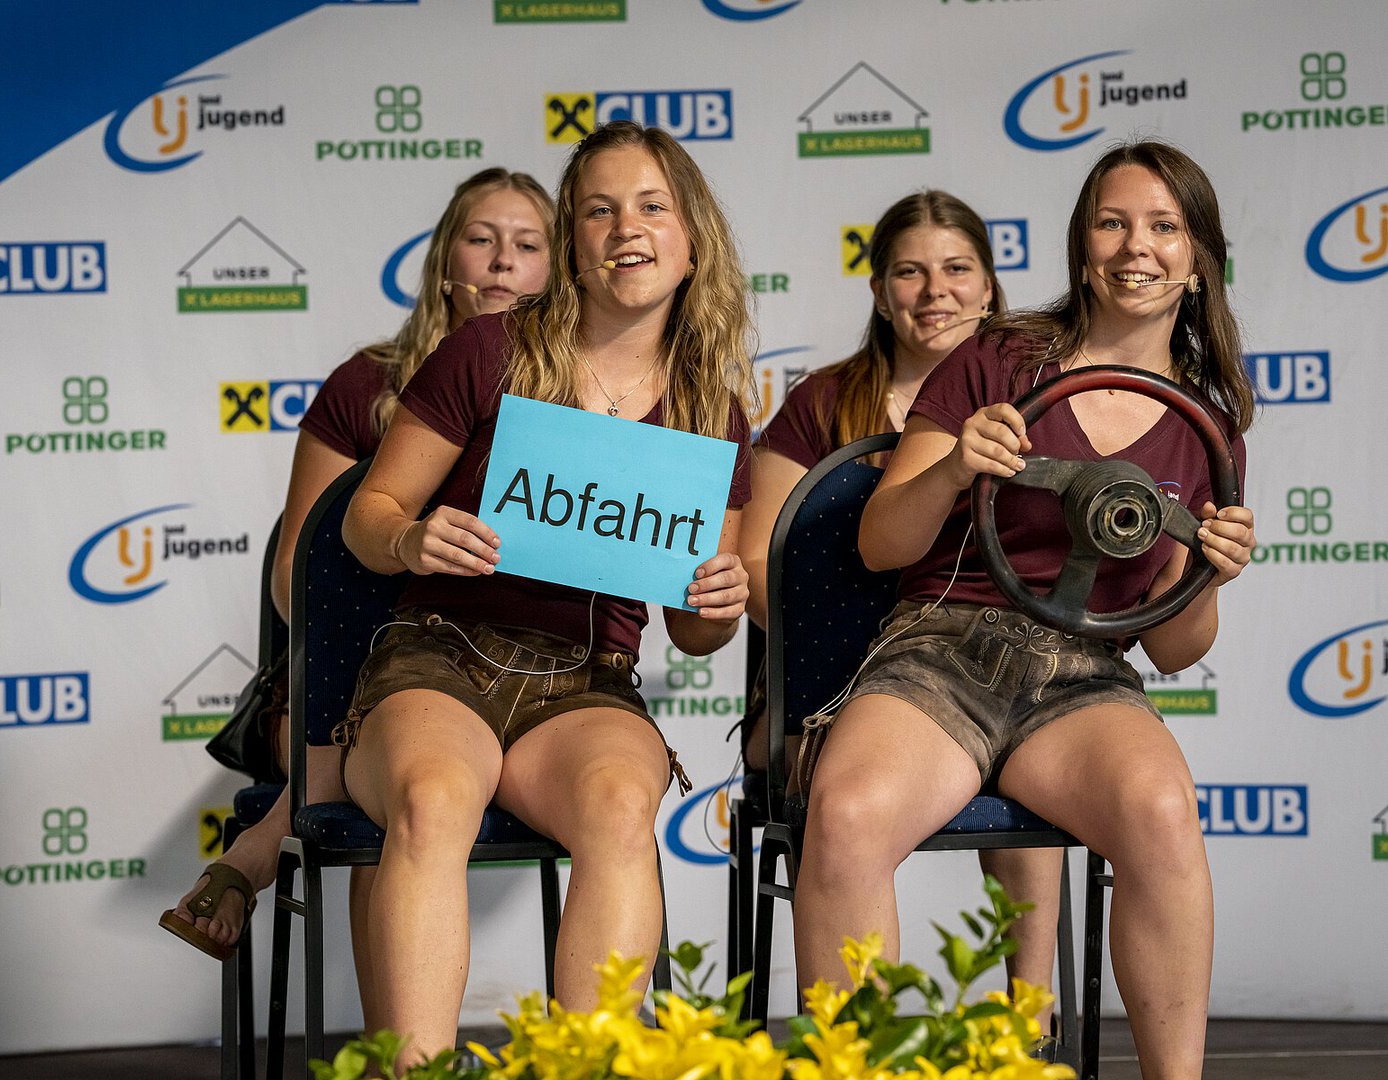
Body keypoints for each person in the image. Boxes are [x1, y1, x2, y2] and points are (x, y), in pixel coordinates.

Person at [793, 141, 1255, 1080]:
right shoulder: (996, 359)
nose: (1136, 247)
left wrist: (1210, 574)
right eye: (1113, 223)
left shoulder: (1207, 424)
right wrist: (955, 468)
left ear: (1200, 260)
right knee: (845, 816)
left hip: (1083, 678)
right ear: (1082, 245)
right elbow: (881, 543)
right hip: (940, 654)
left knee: (1164, 813)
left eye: (1164, 227)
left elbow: (1173, 648)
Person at [339, 120, 756, 1067]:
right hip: (441, 652)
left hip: (587, 680)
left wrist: (719, 601)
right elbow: (368, 516)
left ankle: (588, 1064)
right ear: (572, 243)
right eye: (599, 211)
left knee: (620, 806)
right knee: (436, 797)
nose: (626, 228)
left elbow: (693, 633)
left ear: (693, 239)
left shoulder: (712, 411)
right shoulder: (488, 350)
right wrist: (410, 537)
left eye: (652, 207)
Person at [161, 168, 555, 999]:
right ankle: (401, 1054)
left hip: (504, 686)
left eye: (527, 245)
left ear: (556, 271)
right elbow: (293, 576)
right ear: (444, 261)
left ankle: (252, 856)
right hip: (334, 686)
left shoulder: (580, 401)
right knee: (402, 767)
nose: (502, 262)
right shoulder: (366, 386)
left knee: (417, 752)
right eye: (481, 239)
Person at [738, 190, 1064, 1018]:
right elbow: (756, 566)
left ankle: (1030, 1021)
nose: (935, 290)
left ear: (988, 286)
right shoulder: (821, 403)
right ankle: (855, 1041)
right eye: (910, 272)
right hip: (831, 693)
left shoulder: (1040, 400)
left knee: (1028, 733)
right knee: (852, 793)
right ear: (880, 292)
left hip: (987, 680)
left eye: (957, 268)